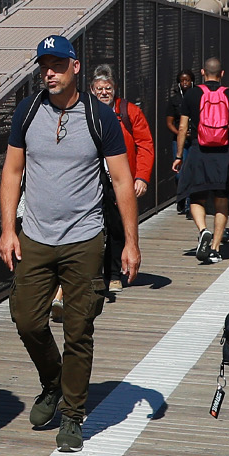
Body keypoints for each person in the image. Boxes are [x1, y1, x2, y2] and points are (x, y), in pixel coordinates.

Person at [0, 35, 139, 455]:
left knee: (79, 329)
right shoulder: (28, 111)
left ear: (76, 66)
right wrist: (8, 230)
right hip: (35, 236)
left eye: (58, 64)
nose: (50, 72)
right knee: (26, 319)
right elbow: (11, 173)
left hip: (84, 239)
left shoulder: (100, 118)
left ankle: (73, 415)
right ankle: (53, 382)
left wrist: (130, 242)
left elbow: (121, 181)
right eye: (44, 65)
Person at [89, 65, 154, 302]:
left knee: (117, 227)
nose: (103, 93)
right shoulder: (85, 112)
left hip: (120, 180)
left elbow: (145, 145)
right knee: (94, 227)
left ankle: (114, 274)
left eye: (107, 89)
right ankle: (93, 274)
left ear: (114, 89)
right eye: (99, 89)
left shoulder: (129, 112)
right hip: (92, 179)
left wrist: (142, 177)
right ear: (91, 90)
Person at [173, 58, 229, 264]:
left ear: (202, 72)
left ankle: (203, 230)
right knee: (222, 200)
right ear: (222, 73)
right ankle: (216, 248)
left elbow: (183, 128)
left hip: (198, 151)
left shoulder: (192, 94)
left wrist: (178, 156)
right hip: (223, 153)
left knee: (196, 197)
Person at [163, 71, 195, 213]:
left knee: (191, 170)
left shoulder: (196, 97)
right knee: (179, 172)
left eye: (187, 80)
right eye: (182, 81)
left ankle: (189, 203)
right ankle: (181, 197)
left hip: (193, 138)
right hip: (179, 139)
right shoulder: (174, 100)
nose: (185, 83)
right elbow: (169, 122)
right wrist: (179, 133)